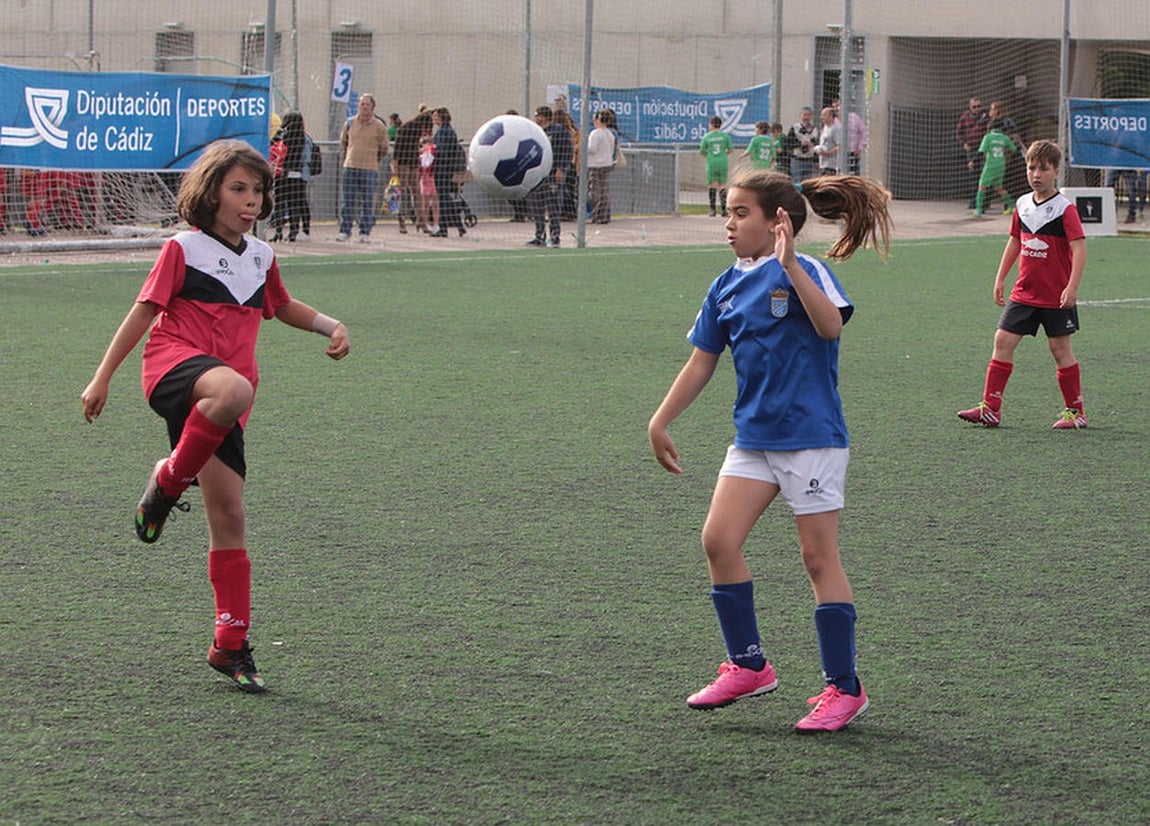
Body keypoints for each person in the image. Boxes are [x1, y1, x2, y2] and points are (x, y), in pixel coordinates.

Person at [79, 140, 351, 693]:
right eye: (238, 189)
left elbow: (280, 306)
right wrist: (102, 377)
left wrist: (331, 325)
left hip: (224, 399)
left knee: (229, 514)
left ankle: (230, 644)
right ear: (210, 192)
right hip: (175, 367)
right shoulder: (183, 248)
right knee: (233, 388)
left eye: (258, 190)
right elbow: (143, 313)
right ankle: (168, 480)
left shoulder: (261, 257)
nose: (251, 200)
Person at [648, 169, 892, 734]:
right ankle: (750, 665)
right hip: (754, 439)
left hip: (811, 438)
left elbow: (830, 328)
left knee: (818, 558)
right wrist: (660, 419)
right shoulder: (724, 286)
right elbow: (701, 361)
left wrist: (788, 265)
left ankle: (845, 688)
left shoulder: (807, 270)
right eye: (728, 213)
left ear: (777, 221)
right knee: (718, 540)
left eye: (741, 213)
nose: (729, 224)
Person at [958, 140, 1088, 430]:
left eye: (1044, 169)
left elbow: (1079, 248)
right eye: (1031, 168)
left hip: (1055, 295)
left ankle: (1076, 412)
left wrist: (1072, 287)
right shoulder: (1022, 204)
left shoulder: (1064, 209)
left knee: (1059, 349)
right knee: (1002, 341)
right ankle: (991, 409)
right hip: (1024, 293)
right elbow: (1015, 241)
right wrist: (1000, 277)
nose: (1036, 174)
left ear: (1056, 172)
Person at [337, 92, 390, 242]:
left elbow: (384, 148)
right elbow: (344, 142)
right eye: (362, 104)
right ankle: (345, 230)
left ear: (373, 107)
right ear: (358, 106)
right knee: (347, 201)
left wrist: (374, 159)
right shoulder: (349, 123)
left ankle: (364, 232)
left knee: (367, 201)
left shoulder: (379, 126)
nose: (364, 107)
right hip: (350, 166)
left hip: (369, 168)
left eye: (367, 104)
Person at [269, 112, 322, 242]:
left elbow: (272, 150)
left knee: (280, 203)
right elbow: (306, 158)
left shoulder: (281, 136)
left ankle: (278, 232)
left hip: (281, 174)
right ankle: (294, 231)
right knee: (295, 204)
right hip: (298, 175)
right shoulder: (304, 138)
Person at [525, 105, 573, 247]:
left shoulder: (558, 131)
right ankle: (539, 235)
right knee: (537, 206)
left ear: (543, 117)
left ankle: (555, 236)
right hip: (537, 175)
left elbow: (567, 151)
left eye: (537, 116)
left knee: (552, 205)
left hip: (552, 174)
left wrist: (561, 169)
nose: (535, 119)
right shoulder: (536, 132)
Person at [392, 109, 434, 234]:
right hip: (403, 162)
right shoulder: (408, 128)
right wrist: (395, 164)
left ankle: (420, 220)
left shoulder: (414, 128)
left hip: (412, 162)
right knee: (404, 192)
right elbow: (398, 147)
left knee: (416, 191)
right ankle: (402, 219)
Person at [973, 118, 1018, 218]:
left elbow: (981, 151)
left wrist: (972, 161)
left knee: (982, 187)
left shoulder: (988, 137)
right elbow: (1014, 149)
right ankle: (1012, 206)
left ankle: (978, 210)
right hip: (1001, 164)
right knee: (999, 187)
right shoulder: (1005, 138)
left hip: (990, 165)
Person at [956, 97, 989, 209]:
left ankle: (984, 201)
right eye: (974, 107)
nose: (977, 109)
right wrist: (964, 143)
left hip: (983, 148)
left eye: (979, 106)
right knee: (973, 174)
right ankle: (974, 200)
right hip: (971, 148)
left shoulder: (986, 117)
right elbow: (959, 132)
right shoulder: (965, 117)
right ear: (970, 108)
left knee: (984, 175)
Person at [587, 109, 617, 224]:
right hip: (607, 163)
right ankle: (604, 215)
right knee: (604, 190)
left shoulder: (595, 133)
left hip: (595, 165)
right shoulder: (610, 134)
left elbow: (592, 149)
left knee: (594, 191)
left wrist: (583, 148)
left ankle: (596, 215)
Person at [700, 115, 733, 217]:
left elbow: (702, 151)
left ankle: (712, 210)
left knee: (712, 185)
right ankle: (724, 210)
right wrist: (723, 154)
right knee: (722, 185)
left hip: (712, 162)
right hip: (723, 162)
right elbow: (731, 150)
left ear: (711, 124)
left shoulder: (707, 137)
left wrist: (709, 156)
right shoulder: (725, 136)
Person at [785, 107, 820, 184]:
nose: (806, 117)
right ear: (800, 116)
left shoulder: (815, 130)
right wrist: (800, 144)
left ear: (812, 116)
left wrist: (816, 161)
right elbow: (788, 143)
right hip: (797, 159)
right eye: (804, 115)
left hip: (809, 160)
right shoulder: (795, 128)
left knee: (807, 183)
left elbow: (817, 146)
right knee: (797, 182)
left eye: (808, 115)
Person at [833, 98, 868, 175]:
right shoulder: (834, 121)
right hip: (839, 153)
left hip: (853, 152)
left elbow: (864, 132)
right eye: (834, 107)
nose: (836, 109)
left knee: (853, 175)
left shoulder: (854, 117)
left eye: (838, 106)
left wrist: (859, 147)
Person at [418, 133, 440, 235]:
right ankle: (429, 223)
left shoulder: (431, 151)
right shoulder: (424, 154)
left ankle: (433, 223)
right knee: (428, 203)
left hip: (430, 177)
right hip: (427, 178)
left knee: (431, 202)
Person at [814, 106, 842, 175]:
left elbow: (840, 146)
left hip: (832, 165)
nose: (821, 117)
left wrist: (827, 153)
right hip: (823, 164)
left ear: (831, 116)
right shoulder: (824, 128)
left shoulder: (836, 129)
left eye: (824, 115)